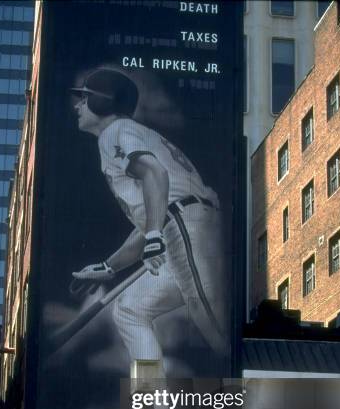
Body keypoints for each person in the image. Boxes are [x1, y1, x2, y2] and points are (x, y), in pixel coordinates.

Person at [70, 68, 227, 365]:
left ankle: (252, 403)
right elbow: (150, 222)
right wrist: (109, 267)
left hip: (186, 226)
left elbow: (155, 174)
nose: (78, 106)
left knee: (215, 327)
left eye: (85, 98)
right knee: (130, 309)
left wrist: (155, 235)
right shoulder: (130, 134)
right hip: (183, 224)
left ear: (103, 102)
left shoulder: (115, 132)